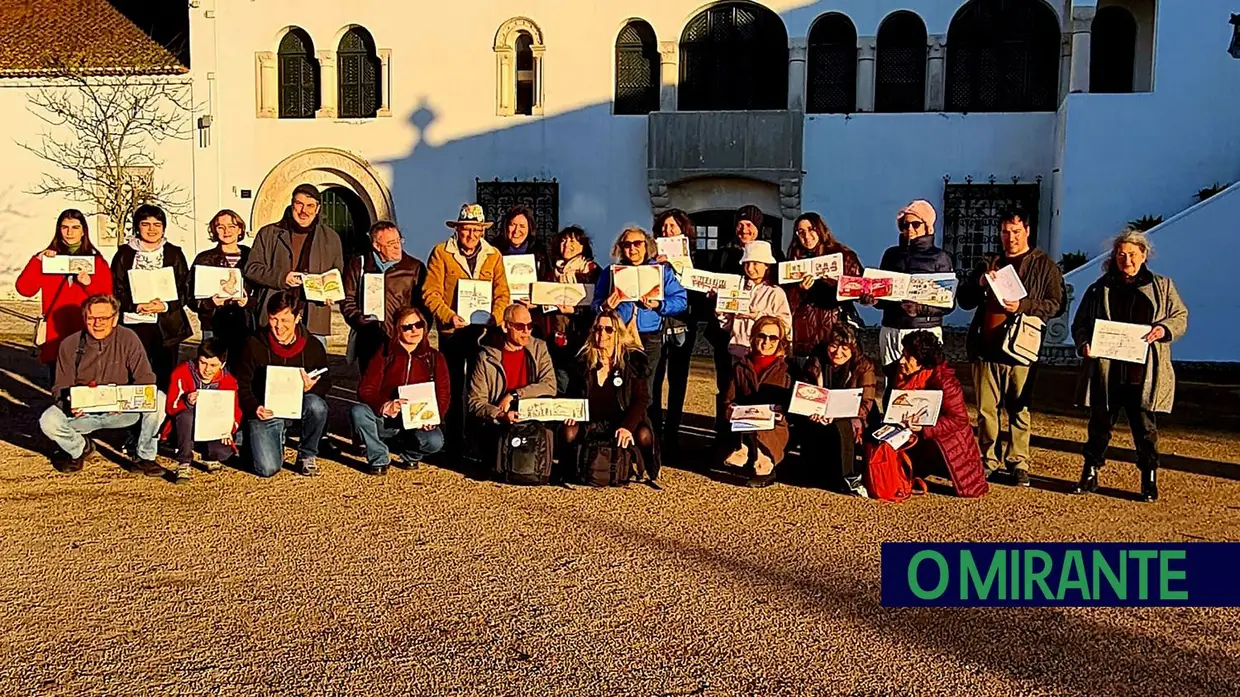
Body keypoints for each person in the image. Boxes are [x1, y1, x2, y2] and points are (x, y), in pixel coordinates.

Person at [1071, 230, 1188, 502]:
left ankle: (1149, 479)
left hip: (1143, 373)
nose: (1127, 260)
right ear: (1114, 257)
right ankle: (1090, 473)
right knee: (1099, 426)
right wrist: (1084, 344)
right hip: (1108, 373)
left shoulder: (1163, 286)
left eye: (1133, 254)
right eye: (1122, 254)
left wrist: (1163, 329)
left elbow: (1180, 316)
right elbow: (1080, 324)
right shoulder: (1100, 288)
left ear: (1144, 255)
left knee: (1145, 430)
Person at [957, 207, 1065, 486]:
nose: (1010, 238)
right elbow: (965, 300)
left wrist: (1024, 306)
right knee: (986, 410)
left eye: (1016, 232)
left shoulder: (1045, 266)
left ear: (1027, 231)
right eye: (1005, 232)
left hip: (1020, 348)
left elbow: (1056, 303)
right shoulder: (990, 263)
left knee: (1019, 408)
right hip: (986, 345)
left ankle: (1018, 461)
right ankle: (988, 460)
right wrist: (980, 283)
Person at [38, 294, 164, 476]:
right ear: (84, 318)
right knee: (48, 420)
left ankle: (144, 455)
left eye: (104, 318)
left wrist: (125, 402)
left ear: (115, 319)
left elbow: (145, 378)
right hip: (83, 413)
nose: (98, 323)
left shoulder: (129, 338)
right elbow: (60, 386)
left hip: (123, 411)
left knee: (159, 399)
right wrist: (69, 405)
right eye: (91, 318)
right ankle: (79, 449)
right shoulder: (69, 344)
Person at [423, 203, 511, 453]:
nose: (471, 235)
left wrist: (495, 317)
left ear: (482, 231)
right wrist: (448, 316)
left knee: (478, 385)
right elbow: (431, 291)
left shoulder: (493, 256)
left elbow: (502, 292)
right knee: (452, 383)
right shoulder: (441, 253)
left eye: (476, 230)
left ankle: (476, 439)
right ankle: (452, 439)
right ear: (458, 229)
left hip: (482, 332)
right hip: (453, 331)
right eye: (466, 230)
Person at [592, 226, 687, 434]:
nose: (632, 249)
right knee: (620, 384)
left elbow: (681, 300)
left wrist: (659, 305)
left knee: (648, 388)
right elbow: (595, 303)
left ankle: (649, 436)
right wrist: (605, 306)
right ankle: (619, 430)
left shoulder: (662, 272)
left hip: (649, 336)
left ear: (647, 246)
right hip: (618, 336)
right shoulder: (611, 272)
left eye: (637, 244)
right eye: (627, 244)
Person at [233, 292, 331, 478]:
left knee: (317, 406)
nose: (279, 326)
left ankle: (307, 454)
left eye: (285, 319)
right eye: (273, 319)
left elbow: (326, 381)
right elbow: (242, 384)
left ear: (297, 317)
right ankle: (253, 439)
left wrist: (311, 388)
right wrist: (255, 407)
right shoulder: (253, 344)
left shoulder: (312, 346)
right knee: (267, 469)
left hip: (298, 406)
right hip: (265, 411)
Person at [879, 330, 988, 498]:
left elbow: (959, 419)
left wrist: (924, 428)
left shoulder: (946, 383)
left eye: (907, 357)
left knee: (967, 489)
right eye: (902, 354)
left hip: (944, 444)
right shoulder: (897, 375)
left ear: (922, 361)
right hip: (913, 435)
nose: (901, 361)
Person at [704, 205, 779, 438]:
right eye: (740, 224)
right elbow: (725, 318)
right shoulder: (723, 254)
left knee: (759, 393)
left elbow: (782, 319)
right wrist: (720, 305)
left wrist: (759, 318)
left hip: (762, 349)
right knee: (728, 389)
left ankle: (760, 443)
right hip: (732, 344)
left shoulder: (774, 287)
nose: (744, 229)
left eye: (749, 225)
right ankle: (727, 438)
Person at [16, 209, 114, 382]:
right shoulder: (48, 260)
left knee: (85, 385)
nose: (70, 232)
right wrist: (37, 261)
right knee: (58, 385)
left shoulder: (96, 261)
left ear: (83, 230)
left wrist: (88, 284)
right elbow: (25, 289)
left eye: (75, 227)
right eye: (65, 227)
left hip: (85, 330)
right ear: (58, 229)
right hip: (56, 332)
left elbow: (107, 298)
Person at [351, 307, 449, 476]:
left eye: (418, 325)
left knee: (434, 441)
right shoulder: (383, 353)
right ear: (397, 329)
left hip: (417, 421)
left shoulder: (435, 357)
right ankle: (379, 457)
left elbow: (444, 394)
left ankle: (411, 454)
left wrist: (434, 417)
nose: (414, 330)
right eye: (407, 327)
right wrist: (384, 405)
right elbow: (366, 389)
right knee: (358, 411)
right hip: (387, 419)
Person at [562, 309, 660, 479]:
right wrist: (572, 413)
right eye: (598, 328)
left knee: (644, 435)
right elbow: (573, 392)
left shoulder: (632, 362)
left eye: (608, 329)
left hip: (622, 418)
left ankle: (651, 468)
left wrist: (627, 427)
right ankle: (571, 468)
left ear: (618, 334)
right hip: (592, 420)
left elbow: (642, 399)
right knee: (568, 431)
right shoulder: (583, 361)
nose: (602, 333)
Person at [244, 183, 345, 346]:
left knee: (311, 369)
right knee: (271, 368)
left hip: (313, 316)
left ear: (318, 208)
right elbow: (252, 268)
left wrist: (331, 293)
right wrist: (282, 277)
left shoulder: (331, 238)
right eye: (299, 204)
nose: (304, 211)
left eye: (310, 206)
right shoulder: (269, 233)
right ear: (292, 204)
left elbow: (338, 274)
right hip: (275, 314)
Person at [110, 204, 192, 390]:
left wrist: (164, 305)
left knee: (164, 374)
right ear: (137, 227)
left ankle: (161, 415)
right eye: (145, 224)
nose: (152, 229)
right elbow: (116, 288)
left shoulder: (174, 253)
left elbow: (185, 287)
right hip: (134, 322)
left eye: (157, 224)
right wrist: (134, 306)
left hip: (166, 324)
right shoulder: (124, 253)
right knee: (135, 370)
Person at [865, 200, 954, 371]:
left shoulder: (939, 257)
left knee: (923, 384)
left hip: (924, 330)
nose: (910, 230)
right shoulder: (891, 254)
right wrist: (874, 300)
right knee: (892, 380)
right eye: (905, 225)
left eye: (916, 224)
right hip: (892, 327)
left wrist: (919, 308)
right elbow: (884, 297)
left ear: (927, 226)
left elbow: (948, 303)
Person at [798, 323, 880, 496]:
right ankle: (811, 470)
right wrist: (811, 409)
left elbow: (867, 401)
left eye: (845, 347)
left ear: (853, 348)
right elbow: (806, 390)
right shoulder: (815, 361)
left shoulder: (864, 365)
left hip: (854, 414)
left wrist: (843, 414)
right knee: (808, 424)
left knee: (842, 426)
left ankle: (848, 475)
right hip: (821, 411)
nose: (838, 352)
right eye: (834, 346)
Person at [466, 304, 557, 454]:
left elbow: (550, 385)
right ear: (505, 327)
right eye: (520, 327)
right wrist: (501, 415)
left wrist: (514, 395)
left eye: (530, 326)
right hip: (500, 422)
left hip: (534, 418)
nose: (526, 331)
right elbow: (475, 402)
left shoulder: (539, 348)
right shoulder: (487, 357)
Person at [340, 220, 427, 375]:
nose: (397, 246)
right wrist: (359, 320)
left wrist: (416, 331)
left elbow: (423, 306)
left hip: (404, 339)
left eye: (399, 240)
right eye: (391, 243)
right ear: (377, 246)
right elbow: (347, 300)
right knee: (372, 390)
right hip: (370, 340)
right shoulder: (358, 265)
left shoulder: (414, 268)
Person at [720, 316, 792, 488]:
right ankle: (745, 451)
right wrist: (730, 409)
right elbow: (728, 398)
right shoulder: (740, 367)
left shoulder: (788, 369)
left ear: (780, 341)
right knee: (749, 419)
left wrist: (782, 412)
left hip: (776, 423)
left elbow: (794, 404)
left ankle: (763, 463)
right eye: (762, 336)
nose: (767, 342)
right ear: (753, 338)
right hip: (744, 421)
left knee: (763, 427)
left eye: (773, 338)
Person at [651, 208, 701, 451]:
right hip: (657, 322)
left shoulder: (695, 257)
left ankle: (672, 432)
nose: (667, 230)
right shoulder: (652, 257)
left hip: (683, 322)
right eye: (663, 226)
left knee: (678, 379)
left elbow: (699, 290)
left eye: (672, 226)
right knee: (655, 377)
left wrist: (682, 270)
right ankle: (653, 429)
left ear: (683, 230)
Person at [785, 212, 863, 359]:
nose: (806, 236)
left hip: (835, 330)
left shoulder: (843, 256)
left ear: (820, 229)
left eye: (811, 229)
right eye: (801, 232)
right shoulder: (792, 262)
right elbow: (785, 303)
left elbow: (859, 290)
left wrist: (836, 284)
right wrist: (799, 289)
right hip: (804, 335)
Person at [162, 338, 241, 482]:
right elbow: (170, 407)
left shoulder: (229, 382)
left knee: (223, 452)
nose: (207, 369)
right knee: (186, 415)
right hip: (184, 426)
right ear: (197, 359)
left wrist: (229, 428)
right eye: (203, 363)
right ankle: (184, 461)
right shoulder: (182, 373)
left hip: (213, 425)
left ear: (222, 365)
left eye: (213, 365)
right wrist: (186, 401)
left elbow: (235, 411)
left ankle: (210, 455)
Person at [544, 225, 601, 393]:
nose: (567, 244)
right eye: (563, 240)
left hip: (583, 335)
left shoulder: (592, 271)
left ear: (583, 246)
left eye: (572, 241)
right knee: (561, 382)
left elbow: (598, 304)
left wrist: (575, 311)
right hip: (557, 338)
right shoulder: (552, 273)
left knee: (583, 381)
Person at [191, 209, 252, 357]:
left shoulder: (251, 257)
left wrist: (248, 302)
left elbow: (263, 291)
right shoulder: (204, 259)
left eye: (231, 226)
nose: (226, 231)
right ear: (214, 230)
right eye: (220, 227)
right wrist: (210, 303)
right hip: (213, 324)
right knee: (212, 368)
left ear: (239, 229)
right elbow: (190, 297)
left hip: (245, 324)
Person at [717, 240, 792, 358]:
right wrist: (722, 314)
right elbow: (729, 326)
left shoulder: (775, 292)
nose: (750, 268)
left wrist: (758, 317)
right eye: (747, 264)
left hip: (765, 355)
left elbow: (785, 326)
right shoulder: (737, 289)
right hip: (738, 351)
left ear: (766, 265)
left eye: (755, 263)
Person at [494, 205, 551, 297]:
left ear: (529, 228)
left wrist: (536, 302)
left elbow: (546, 282)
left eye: (522, 226)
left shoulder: (540, 251)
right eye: (512, 225)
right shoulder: (495, 250)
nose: (516, 231)